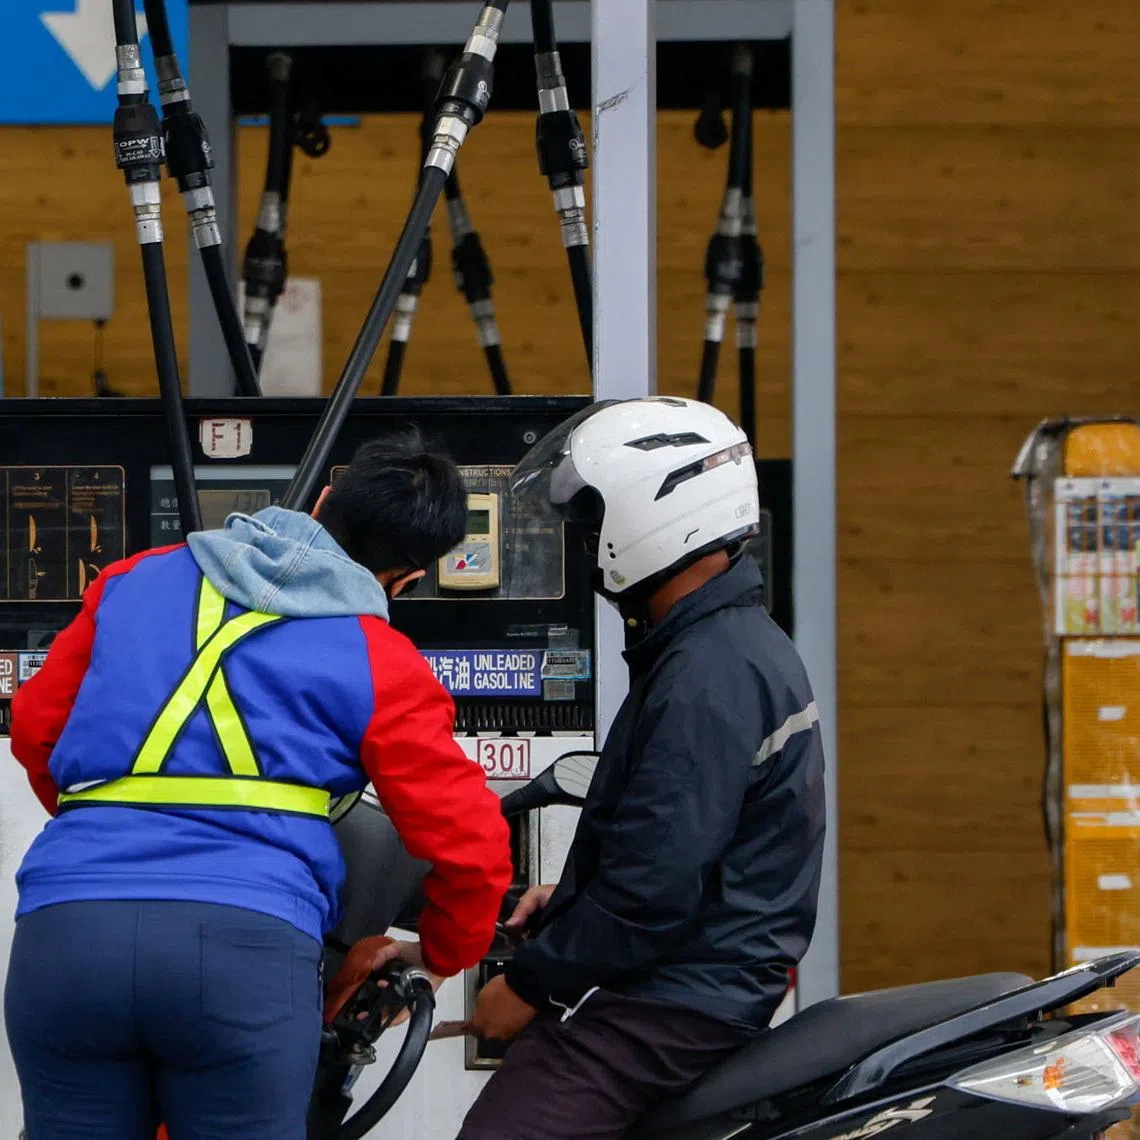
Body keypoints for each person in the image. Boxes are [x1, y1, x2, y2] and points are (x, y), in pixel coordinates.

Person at [5, 429, 513, 1140]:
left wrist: (113, 840)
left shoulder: (133, 578)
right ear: (408, 576)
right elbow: (471, 844)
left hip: (66, 937)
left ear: (324, 501)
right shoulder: (380, 660)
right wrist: (436, 956)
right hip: (242, 954)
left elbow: (35, 729)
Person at [455, 397, 827, 1140]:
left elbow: (653, 888)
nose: (583, 540)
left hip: (674, 996)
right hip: (698, 976)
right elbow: (686, 841)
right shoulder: (722, 646)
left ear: (651, 517)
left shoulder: (706, 673)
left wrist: (528, 985)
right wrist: (573, 894)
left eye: (591, 519)